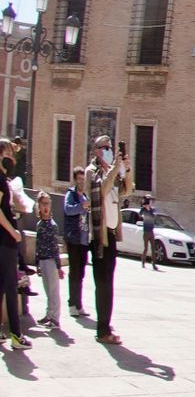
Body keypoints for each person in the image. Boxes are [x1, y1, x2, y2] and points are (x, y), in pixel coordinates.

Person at [85, 135, 133, 345]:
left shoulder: (112, 172)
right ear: (96, 150)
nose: (108, 150)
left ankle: (106, 323)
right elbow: (101, 190)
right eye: (104, 147)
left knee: (109, 283)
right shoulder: (91, 172)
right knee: (102, 283)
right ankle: (102, 330)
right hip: (99, 235)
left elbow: (127, 190)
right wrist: (114, 169)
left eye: (110, 147)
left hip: (111, 233)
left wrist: (126, 169)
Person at [0, 146, 28, 349]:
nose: (12, 159)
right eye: (8, 154)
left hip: (3, 239)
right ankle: (16, 335)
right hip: (5, 240)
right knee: (11, 285)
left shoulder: (5, 180)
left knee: (2, 285)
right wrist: (13, 231)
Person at [62, 168, 91, 318]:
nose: (81, 182)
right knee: (74, 272)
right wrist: (82, 207)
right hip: (73, 238)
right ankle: (72, 304)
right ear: (75, 180)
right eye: (79, 179)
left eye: (83, 179)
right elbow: (68, 210)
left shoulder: (85, 195)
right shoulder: (71, 194)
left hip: (84, 240)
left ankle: (79, 304)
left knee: (81, 273)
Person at [33, 191, 61, 329]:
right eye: (43, 204)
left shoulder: (53, 225)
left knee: (53, 290)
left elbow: (55, 247)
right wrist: (37, 262)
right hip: (43, 260)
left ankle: (55, 317)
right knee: (47, 290)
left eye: (47, 204)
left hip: (51, 260)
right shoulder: (39, 224)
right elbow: (37, 244)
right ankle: (49, 314)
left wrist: (59, 266)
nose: (45, 207)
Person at [138, 195, 161, 272]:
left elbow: (154, 216)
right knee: (146, 248)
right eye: (147, 203)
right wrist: (143, 209)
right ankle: (143, 262)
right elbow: (139, 214)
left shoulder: (152, 210)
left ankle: (154, 264)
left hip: (151, 231)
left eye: (149, 203)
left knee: (153, 248)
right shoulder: (143, 210)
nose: (148, 204)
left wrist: (149, 210)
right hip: (146, 231)